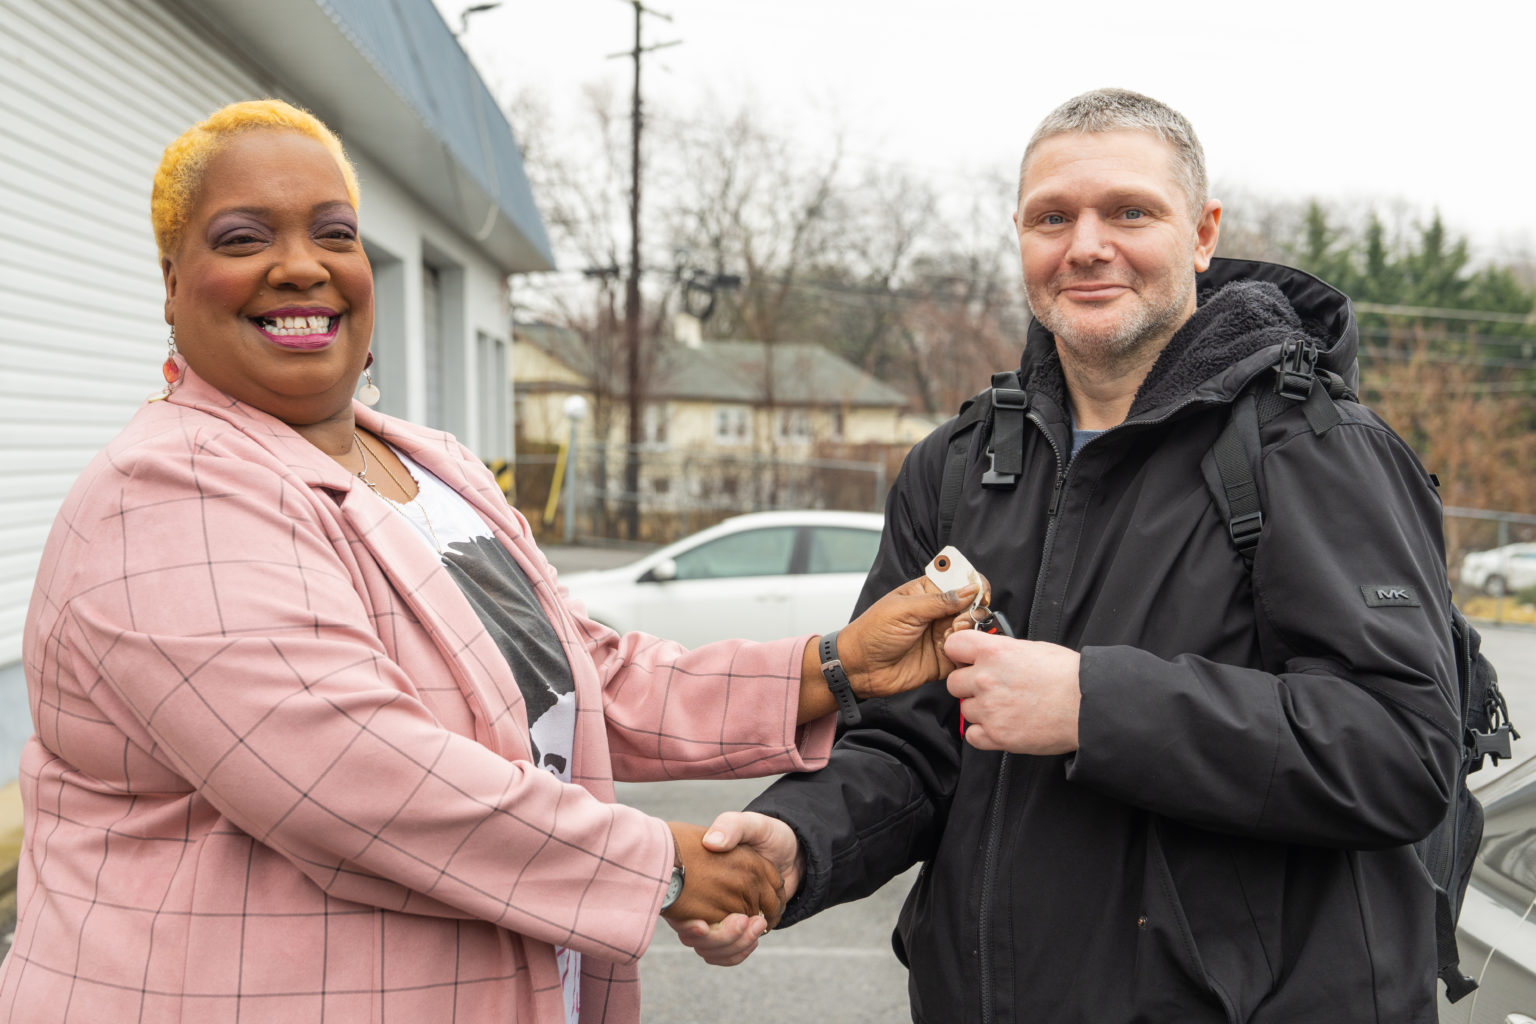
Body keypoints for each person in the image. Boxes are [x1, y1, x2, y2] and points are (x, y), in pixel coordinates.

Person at [0, 99, 982, 1024]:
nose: (302, 266)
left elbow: (585, 677)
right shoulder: (166, 495)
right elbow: (359, 777)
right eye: (244, 238)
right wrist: (669, 865)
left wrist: (837, 665)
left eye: (334, 233)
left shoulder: (432, 466)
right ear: (172, 282)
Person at [674, 88, 1460, 1023]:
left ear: (1202, 233)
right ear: (1020, 237)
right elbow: (909, 742)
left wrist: (1096, 705)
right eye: (1053, 217)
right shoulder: (958, 468)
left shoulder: (1316, 449)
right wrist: (796, 845)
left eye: (1130, 211)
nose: (1086, 244)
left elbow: (1402, 751)